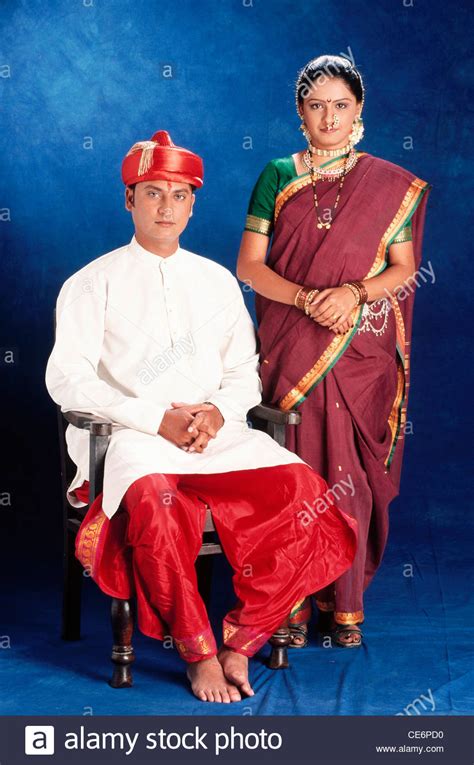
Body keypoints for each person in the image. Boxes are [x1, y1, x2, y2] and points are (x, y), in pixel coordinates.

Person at [45, 129, 357, 702]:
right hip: (132, 439)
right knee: (160, 510)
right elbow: (68, 378)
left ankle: (242, 641)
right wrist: (150, 417)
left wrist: (216, 412)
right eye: (154, 193)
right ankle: (198, 652)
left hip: (217, 435)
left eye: (180, 195)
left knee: (307, 497)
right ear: (129, 200)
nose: (167, 207)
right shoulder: (91, 283)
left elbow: (244, 369)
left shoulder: (217, 281)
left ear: (193, 202)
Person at [236, 55, 431, 649]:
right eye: (316, 105)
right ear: (300, 113)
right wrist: (302, 299)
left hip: (359, 347)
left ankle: (344, 603)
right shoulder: (276, 174)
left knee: (349, 469)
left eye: (340, 105)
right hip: (292, 340)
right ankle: (289, 601)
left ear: (359, 113)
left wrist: (350, 294)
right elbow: (249, 265)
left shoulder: (390, 183)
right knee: (293, 462)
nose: (328, 116)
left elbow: (403, 268)